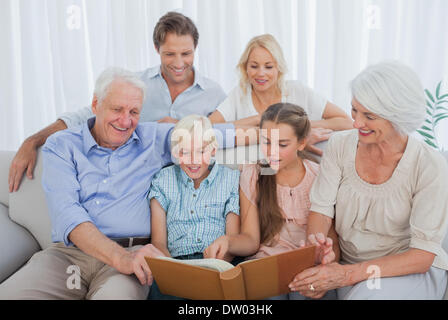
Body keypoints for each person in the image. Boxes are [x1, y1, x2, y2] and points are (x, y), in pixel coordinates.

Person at [0, 67, 239, 300]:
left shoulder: (152, 138)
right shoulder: (62, 145)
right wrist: (32, 140)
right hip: (69, 257)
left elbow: (209, 134)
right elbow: (67, 214)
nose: (125, 121)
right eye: (117, 109)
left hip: (132, 254)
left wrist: (270, 134)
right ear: (96, 105)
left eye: (134, 112)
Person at [8, 11, 226, 192]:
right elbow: (83, 117)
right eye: (170, 54)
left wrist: (183, 129)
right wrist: (32, 141)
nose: (179, 63)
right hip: (137, 188)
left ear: (195, 49)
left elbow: (227, 135)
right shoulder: (136, 85)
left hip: (188, 191)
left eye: (186, 53)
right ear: (156, 49)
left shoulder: (213, 93)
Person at [288, 61, 448, 300]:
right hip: (349, 266)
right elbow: (321, 211)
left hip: (407, 272)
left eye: (369, 116)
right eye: (354, 110)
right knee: (299, 289)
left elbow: (422, 256)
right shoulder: (339, 145)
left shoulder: (429, 164)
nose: (356, 123)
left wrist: (345, 275)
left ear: (398, 116)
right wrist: (320, 250)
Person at [206, 103, 339, 300]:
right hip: (266, 268)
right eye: (266, 142)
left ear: (302, 143)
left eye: (282, 144)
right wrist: (227, 241)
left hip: (308, 267)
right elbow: (250, 240)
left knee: (304, 294)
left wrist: (329, 261)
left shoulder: (319, 176)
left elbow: (332, 238)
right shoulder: (254, 174)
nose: (272, 152)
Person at [208, 34, 353, 155]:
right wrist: (256, 119)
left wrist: (298, 127)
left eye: (269, 66)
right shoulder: (239, 94)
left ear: (279, 68)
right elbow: (206, 129)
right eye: (254, 66)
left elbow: (346, 122)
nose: (261, 73)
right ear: (245, 68)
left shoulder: (297, 90)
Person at [147, 115, 241, 299]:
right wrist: (173, 270)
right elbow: (158, 242)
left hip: (216, 263)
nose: (193, 160)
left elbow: (231, 239)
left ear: (213, 150)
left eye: (201, 151)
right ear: (175, 152)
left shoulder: (230, 179)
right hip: (175, 263)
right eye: (185, 152)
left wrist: (213, 267)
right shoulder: (163, 180)